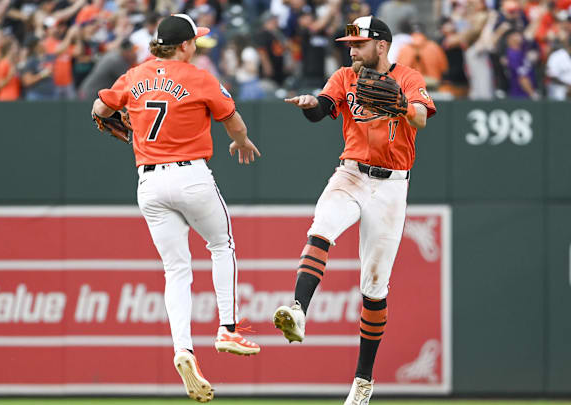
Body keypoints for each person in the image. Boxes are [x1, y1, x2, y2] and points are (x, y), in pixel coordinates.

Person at [92, 13, 261, 403]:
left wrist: (121, 124)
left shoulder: (134, 75)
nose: (196, 47)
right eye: (194, 42)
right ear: (184, 45)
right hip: (191, 176)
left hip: (149, 182)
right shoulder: (198, 76)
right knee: (221, 246)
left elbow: (99, 110)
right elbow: (232, 122)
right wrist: (242, 141)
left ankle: (183, 350)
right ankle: (228, 328)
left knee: (175, 269)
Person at [275, 15, 436, 405]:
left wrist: (398, 102)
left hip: (392, 185)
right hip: (351, 172)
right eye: (349, 44)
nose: (351, 50)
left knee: (374, 287)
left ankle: (363, 380)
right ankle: (298, 309)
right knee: (322, 227)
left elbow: (420, 118)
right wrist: (310, 104)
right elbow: (323, 107)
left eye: (358, 44)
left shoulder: (409, 76)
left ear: (381, 46)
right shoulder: (346, 76)